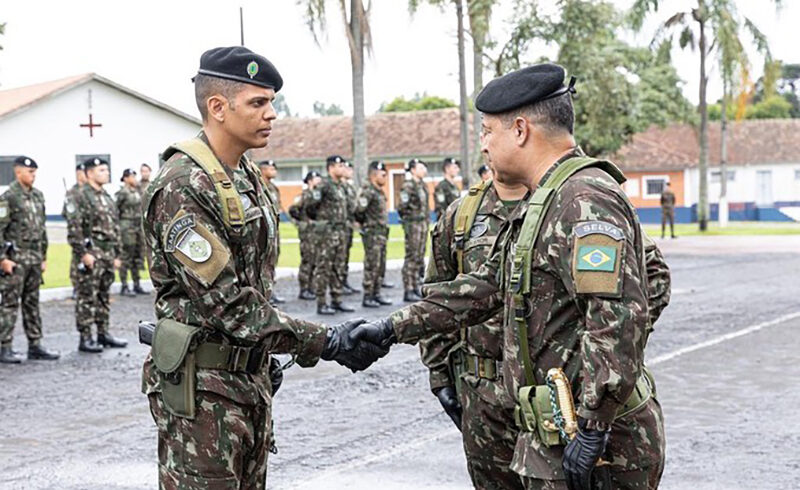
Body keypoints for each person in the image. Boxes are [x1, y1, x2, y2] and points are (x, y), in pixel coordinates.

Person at [353, 63, 666, 490]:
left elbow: (616, 317)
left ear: (520, 130)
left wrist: (593, 422)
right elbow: (483, 288)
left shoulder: (583, 198)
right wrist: (389, 329)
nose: (483, 145)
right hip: (556, 431)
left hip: (598, 445)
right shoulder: (545, 200)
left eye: (487, 131)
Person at [140, 46, 386, 489]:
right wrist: (327, 340)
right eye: (258, 103)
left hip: (247, 380)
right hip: (204, 396)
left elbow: (256, 287)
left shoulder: (245, 176)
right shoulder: (184, 186)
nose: (272, 114)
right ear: (218, 107)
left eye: (271, 102)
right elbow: (231, 306)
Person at [420, 173, 527, 488]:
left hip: (556, 398)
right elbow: (437, 299)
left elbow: (648, 281)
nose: (485, 144)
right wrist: (439, 376)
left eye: (493, 132)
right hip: (483, 400)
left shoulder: (568, 201)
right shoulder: (462, 213)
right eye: (483, 132)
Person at [0, 156, 60, 363]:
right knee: (9, 303)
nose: (33, 176)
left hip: (34, 258)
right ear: (18, 173)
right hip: (15, 259)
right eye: (30, 172)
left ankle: (35, 345)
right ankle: (4, 346)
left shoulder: (38, 196)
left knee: (32, 303)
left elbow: (41, 228)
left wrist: (43, 256)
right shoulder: (8, 197)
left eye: (35, 172)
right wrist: (2, 259)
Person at [67, 157, 128, 353]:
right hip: (92, 253)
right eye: (101, 170)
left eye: (106, 169)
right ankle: (86, 337)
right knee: (87, 296)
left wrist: (117, 254)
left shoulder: (107, 197)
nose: (106, 173)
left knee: (103, 295)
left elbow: (115, 227)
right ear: (90, 173)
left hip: (108, 254)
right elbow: (74, 229)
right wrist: (83, 253)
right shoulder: (80, 196)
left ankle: (103, 333)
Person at [306, 155, 355, 315]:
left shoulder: (341, 186)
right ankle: (321, 302)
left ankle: (337, 299)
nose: (342, 168)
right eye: (339, 165)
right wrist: (322, 221)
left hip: (340, 232)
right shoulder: (324, 185)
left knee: (338, 266)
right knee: (324, 267)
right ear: (331, 167)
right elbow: (310, 206)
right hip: (327, 233)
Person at [354, 160, 393, 308]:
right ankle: (368, 295)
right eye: (383, 175)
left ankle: (377, 293)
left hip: (382, 233)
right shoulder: (368, 191)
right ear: (374, 175)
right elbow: (359, 210)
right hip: (372, 233)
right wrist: (366, 225)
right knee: (372, 264)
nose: (385, 178)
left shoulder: (379, 191)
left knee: (380, 264)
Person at [397, 158, 429, 302]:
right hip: (413, 224)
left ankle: (416, 285)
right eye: (421, 168)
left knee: (419, 256)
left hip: (422, 224)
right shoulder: (408, 186)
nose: (424, 171)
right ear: (413, 170)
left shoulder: (421, 185)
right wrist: (408, 220)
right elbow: (402, 207)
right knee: (411, 256)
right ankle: (408, 288)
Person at [288, 171, 321, 301]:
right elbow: (292, 210)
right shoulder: (304, 196)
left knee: (315, 260)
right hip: (307, 233)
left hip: (316, 232)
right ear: (310, 181)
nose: (319, 180)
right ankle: (304, 289)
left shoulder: (318, 195)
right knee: (307, 260)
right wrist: (301, 223)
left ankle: (311, 287)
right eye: (316, 178)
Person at [258, 159, 286, 305]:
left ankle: (270, 291)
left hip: (274, 230)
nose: (274, 170)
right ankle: (262, 295)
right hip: (262, 229)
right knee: (262, 262)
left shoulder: (274, 188)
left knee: (273, 260)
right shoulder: (258, 186)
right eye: (271, 168)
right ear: (263, 170)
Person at [116, 168, 147, 296]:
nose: (135, 179)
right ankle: (124, 285)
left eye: (135, 176)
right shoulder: (122, 193)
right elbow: (116, 210)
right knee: (126, 256)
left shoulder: (137, 191)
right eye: (132, 177)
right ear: (126, 178)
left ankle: (136, 284)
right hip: (126, 227)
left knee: (137, 255)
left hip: (137, 226)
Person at [63, 162, 88, 300]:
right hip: (78, 232)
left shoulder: (90, 191)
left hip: (90, 232)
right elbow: (66, 212)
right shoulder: (72, 192)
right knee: (77, 261)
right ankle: (76, 287)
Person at [339, 161, 360, 295]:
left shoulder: (349, 187)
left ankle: (344, 281)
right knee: (338, 258)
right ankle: (338, 284)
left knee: (345, 256)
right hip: (340, 227)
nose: (351, 172)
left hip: (348, 227)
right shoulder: (339, 187)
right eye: (348, 169)